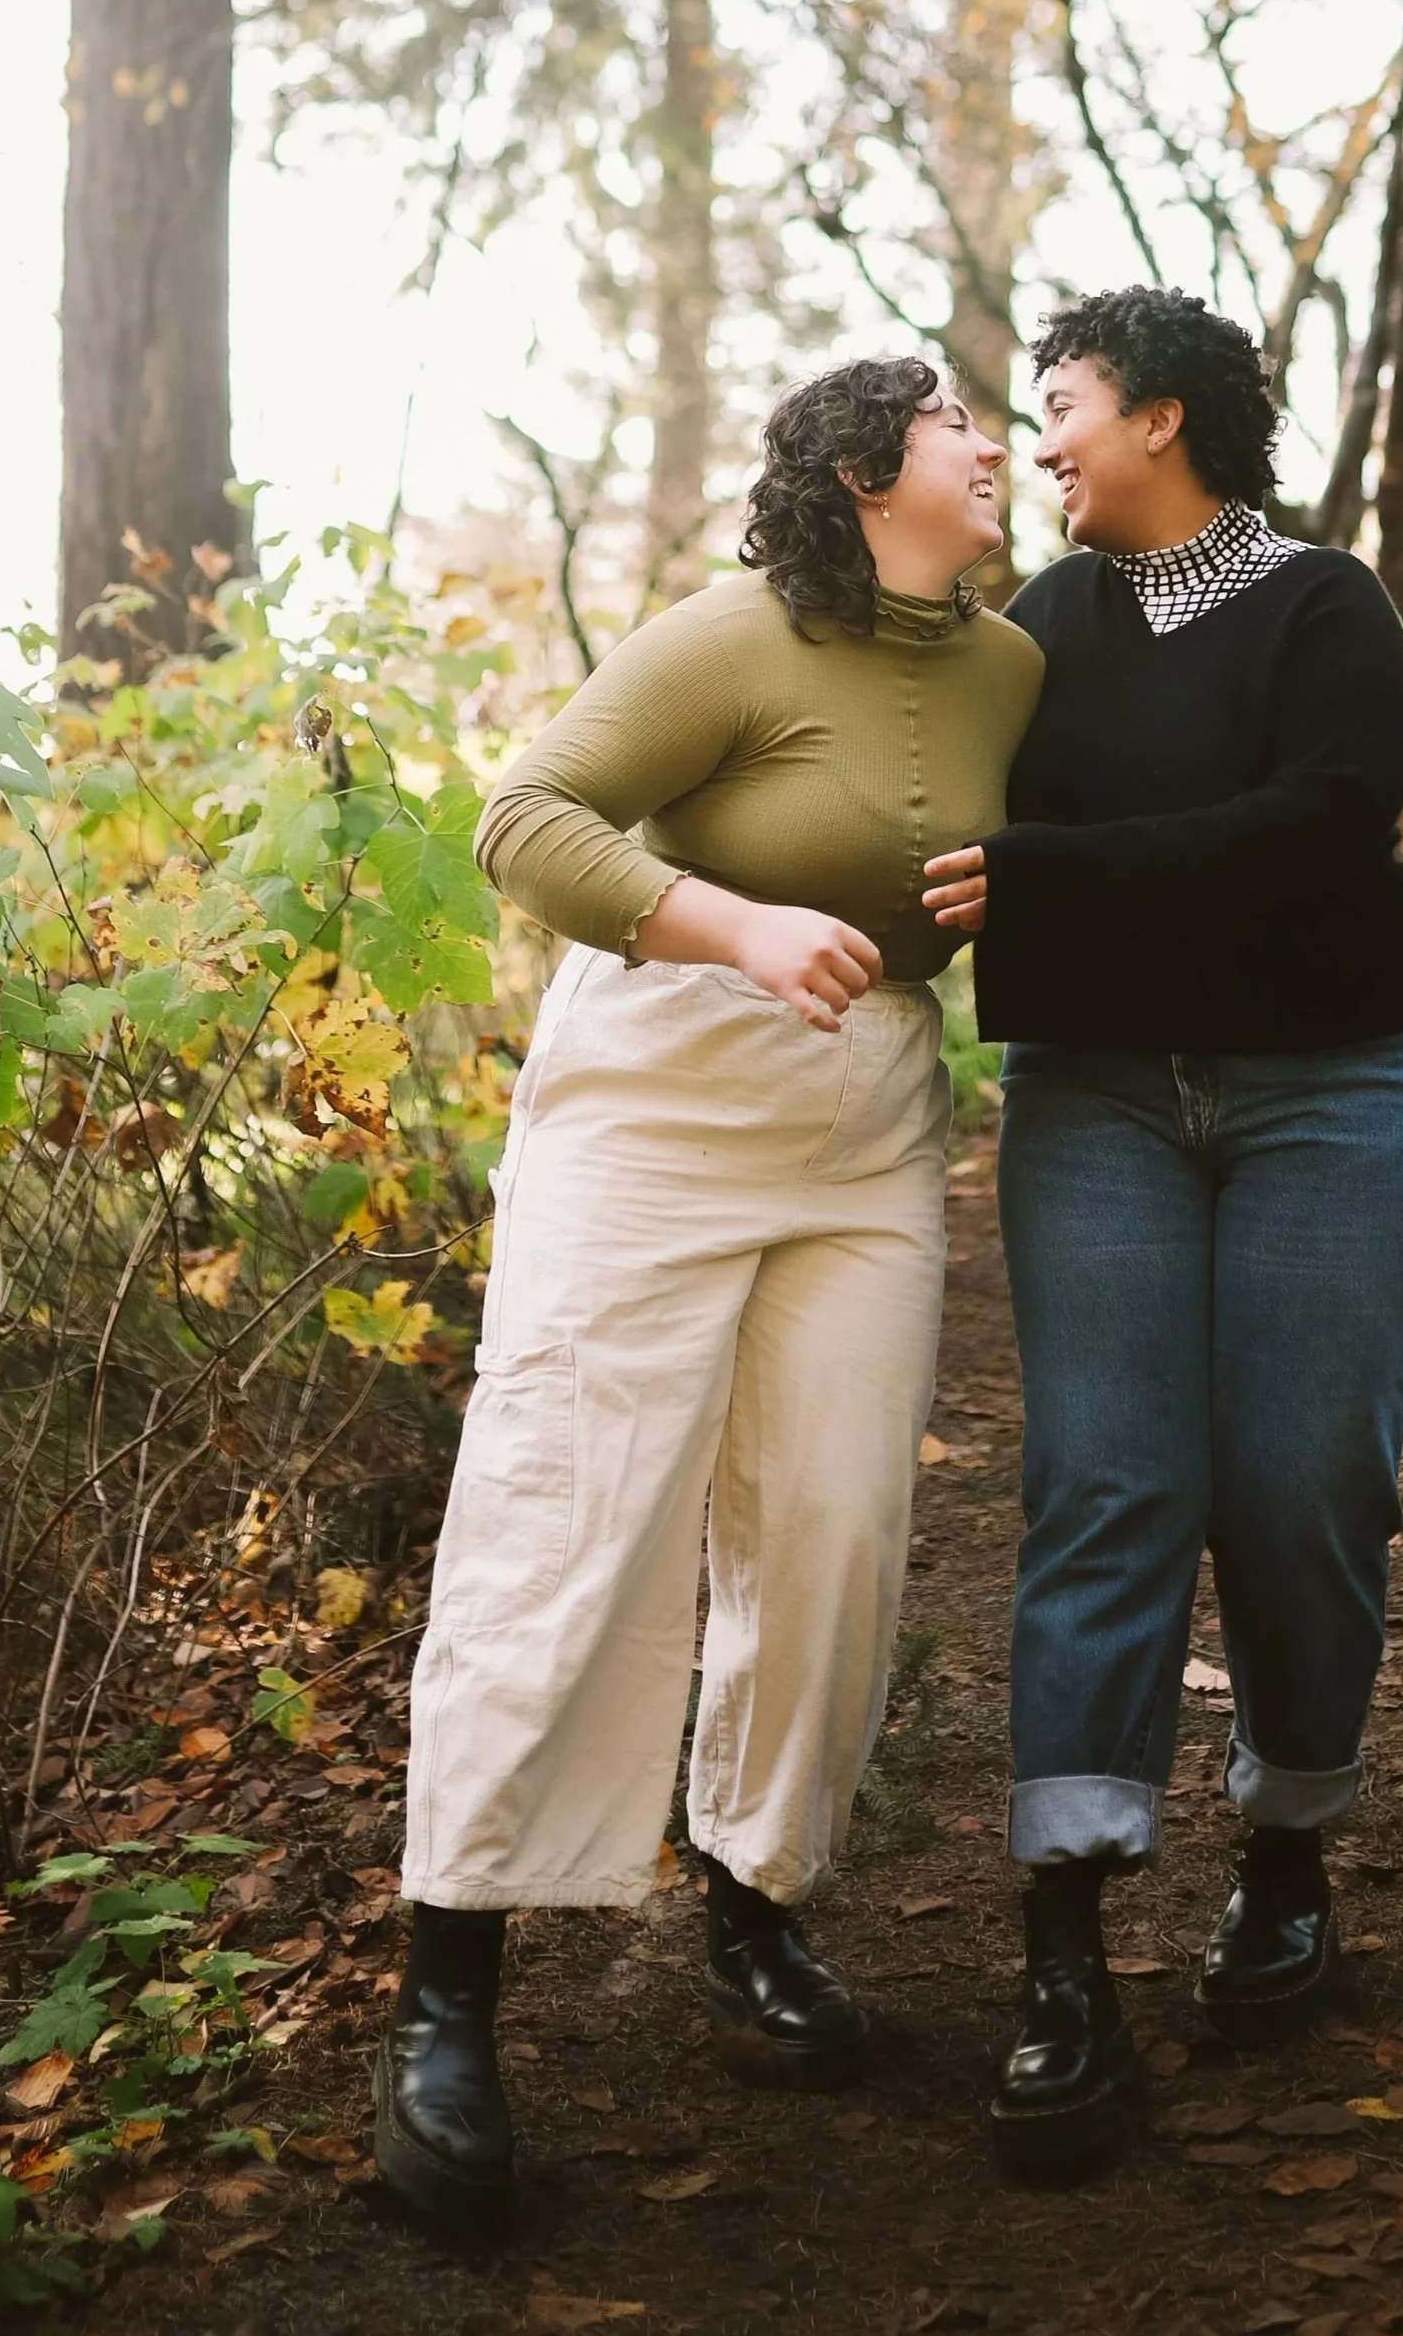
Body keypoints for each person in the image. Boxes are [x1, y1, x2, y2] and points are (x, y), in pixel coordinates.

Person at [378, 358, 1040, 2235]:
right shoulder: (730, 635)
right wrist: (734, 924)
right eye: (956, 422)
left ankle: (750, 1893)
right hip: (659, 1097)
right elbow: (528, 819)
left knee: (834, 1519)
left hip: (867, 1123)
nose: (992, 446)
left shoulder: (1013, 665)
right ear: (859, 472)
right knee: (570, 1518)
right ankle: (449, 1985)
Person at [924, 287, 1403, 2175]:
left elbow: (1319, 826)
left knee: (1307, 1477)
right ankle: (1064, 1954)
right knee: (1107, 1483)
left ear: (1159, 417)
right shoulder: (1032, 635)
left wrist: (1042, 877)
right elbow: (896, 776)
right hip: (1100, 1099)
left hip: (1343, 1088)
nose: (1037, 437)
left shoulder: (1327, 608)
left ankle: (1287, 1855)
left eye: (1057, 403)